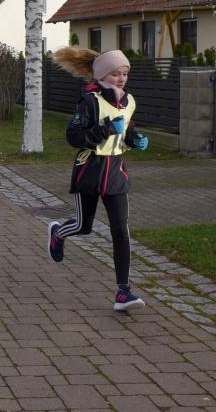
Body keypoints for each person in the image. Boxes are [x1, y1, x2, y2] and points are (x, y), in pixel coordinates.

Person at [47, 47, 149, 311]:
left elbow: (128, 129)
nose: (121, 78)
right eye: (115, 74)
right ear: (102, 75)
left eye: (125, 73)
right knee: (83, 226)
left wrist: (135, 139)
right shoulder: (89, 101)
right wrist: (104, 130)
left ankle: (123, 292)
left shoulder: (129, 101)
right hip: (90, 170)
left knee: (120, 230)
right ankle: (58, 233)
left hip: (116, 172)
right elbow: (74, 137)